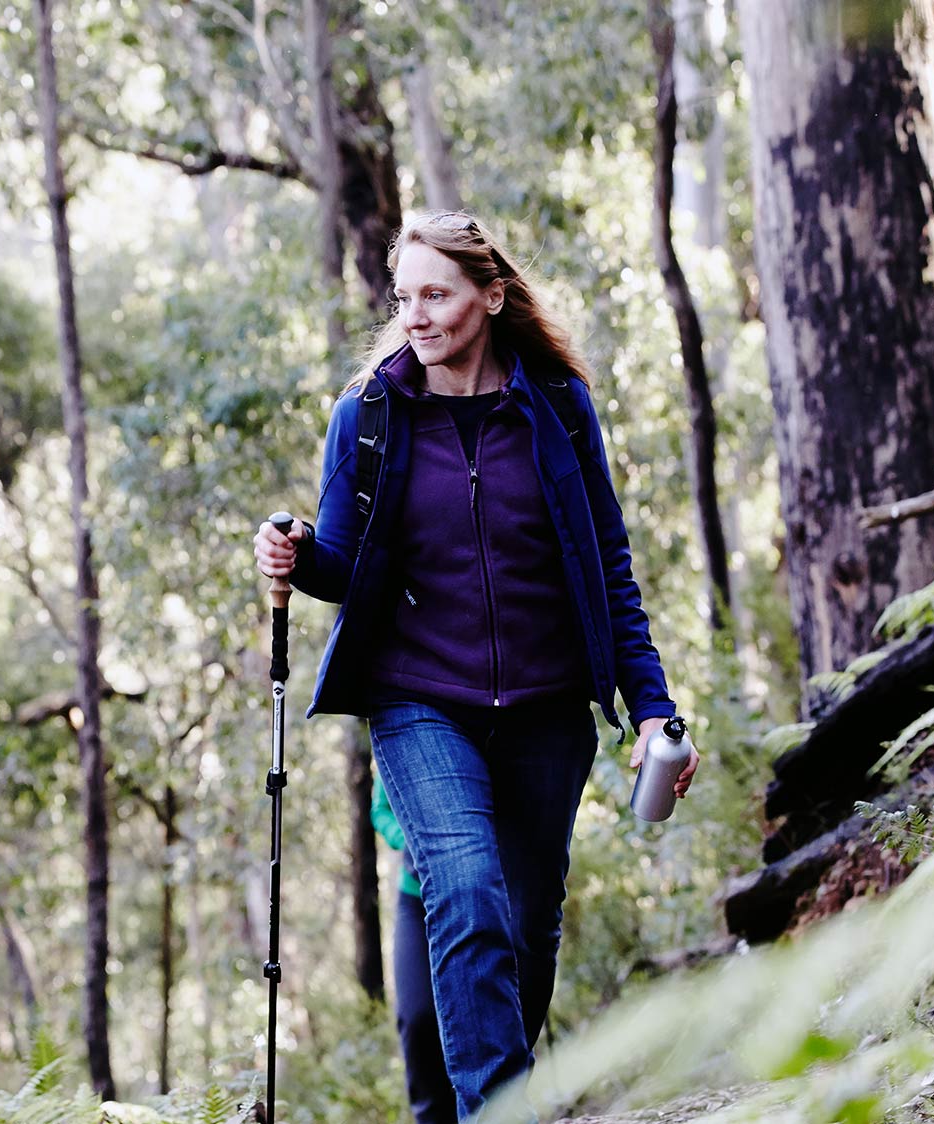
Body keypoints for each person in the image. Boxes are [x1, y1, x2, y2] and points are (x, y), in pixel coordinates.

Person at [253, 209, 700, 1122]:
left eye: (437, 294)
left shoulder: (557, 410)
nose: (416, 316)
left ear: (490, 298)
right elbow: (344, 561)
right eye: (405, 296)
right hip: (420, 700)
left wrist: (651, 705)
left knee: (528, 932)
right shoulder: (369, 417)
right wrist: (296, 550)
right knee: (464, 890)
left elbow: (607, 561)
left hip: (547, 708)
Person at [373, 776, 454, 1124]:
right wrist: (407, 839)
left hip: (471, 895)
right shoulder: (406, 729)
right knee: (416, 1015)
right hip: (415, 897)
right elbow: (380, 809)